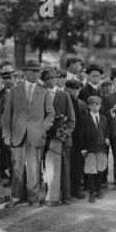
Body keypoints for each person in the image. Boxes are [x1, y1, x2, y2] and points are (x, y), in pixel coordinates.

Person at [2, 60, 55, 208]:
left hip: (35, 136)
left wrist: (42, 129)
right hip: (17, 135)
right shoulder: (14, 91)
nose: (36, 74)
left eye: (37, 71)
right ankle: (15, 197)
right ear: (25, 72)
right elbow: (6, 116)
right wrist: (6, 136)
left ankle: (34, 198)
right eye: (32, 71)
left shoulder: (44, 92)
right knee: (17, 168)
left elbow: (50, 114)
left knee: (34, 168)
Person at [41, 69, 76, 207]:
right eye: (47, 79)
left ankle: (66, 196)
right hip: (47, 137)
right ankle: (50, 194)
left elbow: (72, 120)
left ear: (56, 79)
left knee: (65, 167)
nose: (50, 81)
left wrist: (64, 133)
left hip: (62, 138)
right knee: (48, 168)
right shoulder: (41, 94)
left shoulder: (64, 95)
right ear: (44, 81)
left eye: (53, 78)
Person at [80, 95, 110, 203]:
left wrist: (107, 138)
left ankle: (99, 190)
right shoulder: (84, 119)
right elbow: (82, 135)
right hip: (90, 149)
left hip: (101, 148)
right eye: (92, 105)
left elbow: (106, 131)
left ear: (100, 105)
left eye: (97, 104)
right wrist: (83, 148)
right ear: (88, 106)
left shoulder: (103, 119)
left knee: (100, 170)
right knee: (91, 172)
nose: (95, 107)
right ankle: (91, 193)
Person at [66, 79, 88, 199]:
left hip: (79, 140)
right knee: (67, 165)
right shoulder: (64, 101)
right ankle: (66, 190)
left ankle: (76, 189)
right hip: (68, 138)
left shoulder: (82, 104)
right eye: (72, 88)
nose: (75, 91)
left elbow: (85, 123)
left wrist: (85, 141)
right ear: (67, 89)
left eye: (77, 89)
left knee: (78, 166)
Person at [0, 65, 15, 187]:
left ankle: (17, 180)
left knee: (15, 156)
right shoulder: (2, 92)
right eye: (5, 78)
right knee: (7, 155)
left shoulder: (19, 92)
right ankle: (11, 177)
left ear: (14, 77)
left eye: (9, 77)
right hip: (4, 130)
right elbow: (0, 112)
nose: (7, 80)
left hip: (15, 130)